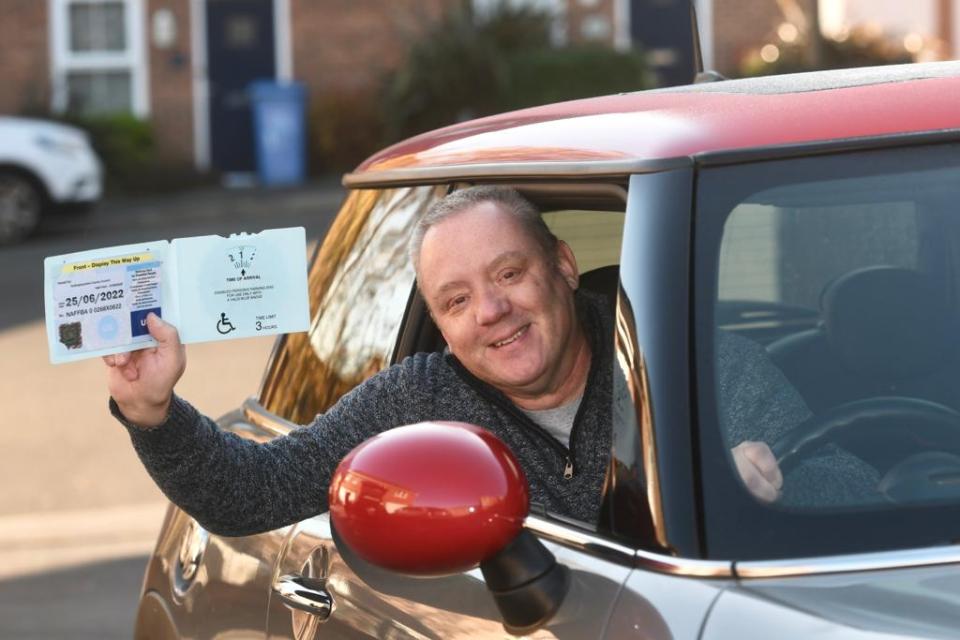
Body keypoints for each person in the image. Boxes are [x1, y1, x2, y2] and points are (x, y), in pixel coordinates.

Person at [105, 186, 874, 538]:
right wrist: (153, 411)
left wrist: (762, 492)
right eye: (457, 300)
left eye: (509, 275)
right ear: (438, 323)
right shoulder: (416, 398)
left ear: (564, 266)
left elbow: (851, 483)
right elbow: (253, 493)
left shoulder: (708, 369)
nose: (492, 313)